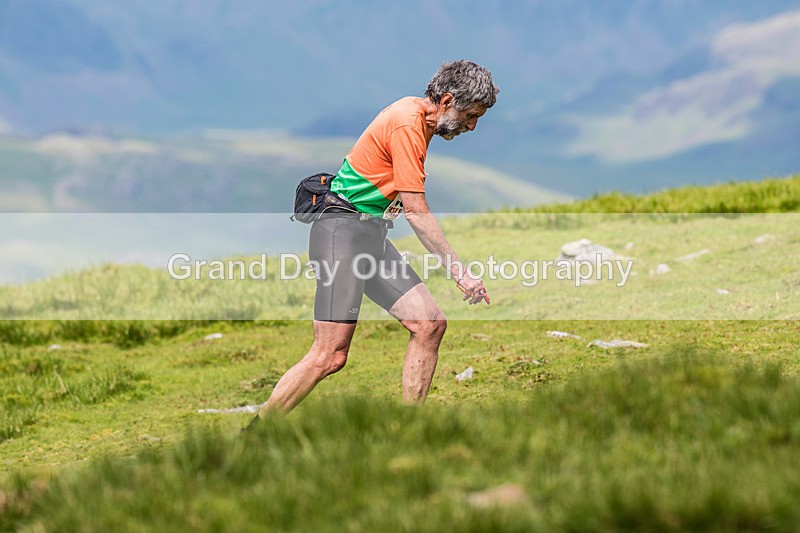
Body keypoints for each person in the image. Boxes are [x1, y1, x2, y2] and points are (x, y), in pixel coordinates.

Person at [247, 60, 499, 424]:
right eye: (471, 115)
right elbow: (416, 211)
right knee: (329, 354)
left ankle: (409, 433)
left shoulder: (419, 119)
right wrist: (460, 273)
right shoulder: (407, 123)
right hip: (341, 234)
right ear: (447, 101)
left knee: (429, 325)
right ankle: (254, 435)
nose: (472, 126)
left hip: (370, 234)